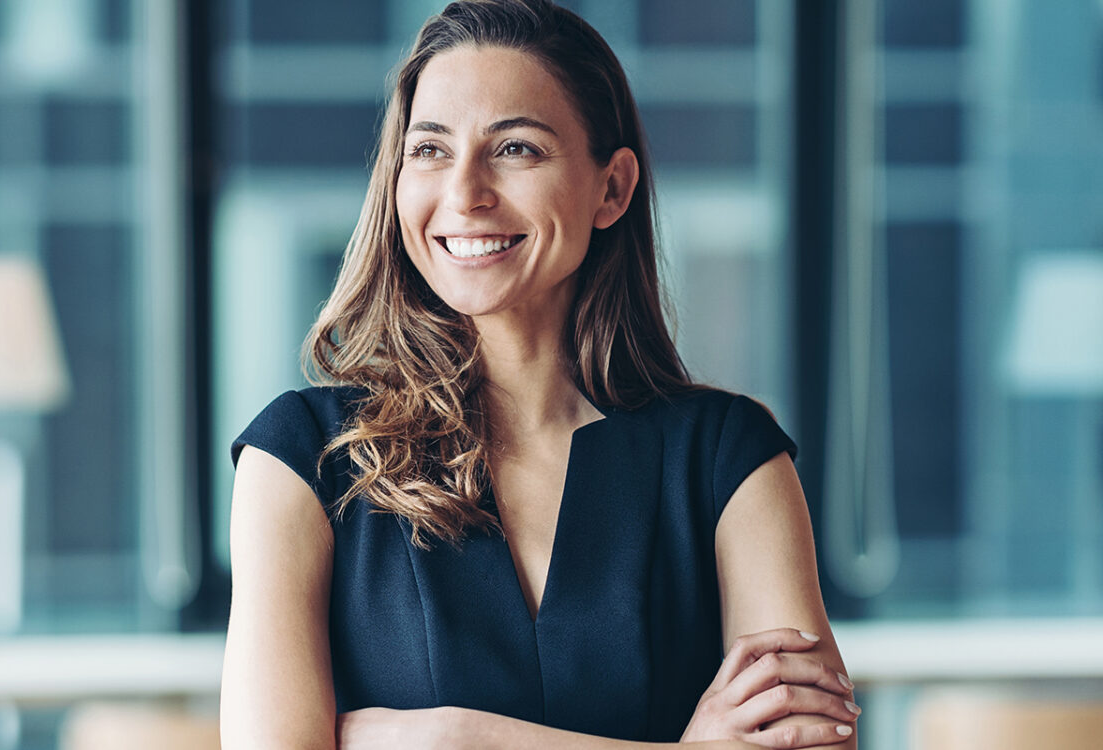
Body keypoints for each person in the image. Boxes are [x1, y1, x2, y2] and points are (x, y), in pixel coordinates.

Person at [221, 1, 858, 748]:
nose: (465, 193)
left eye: (517, 149)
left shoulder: (727, 458)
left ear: (612, 189)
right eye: (429, 151)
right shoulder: (302, 458)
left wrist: (449, 740)